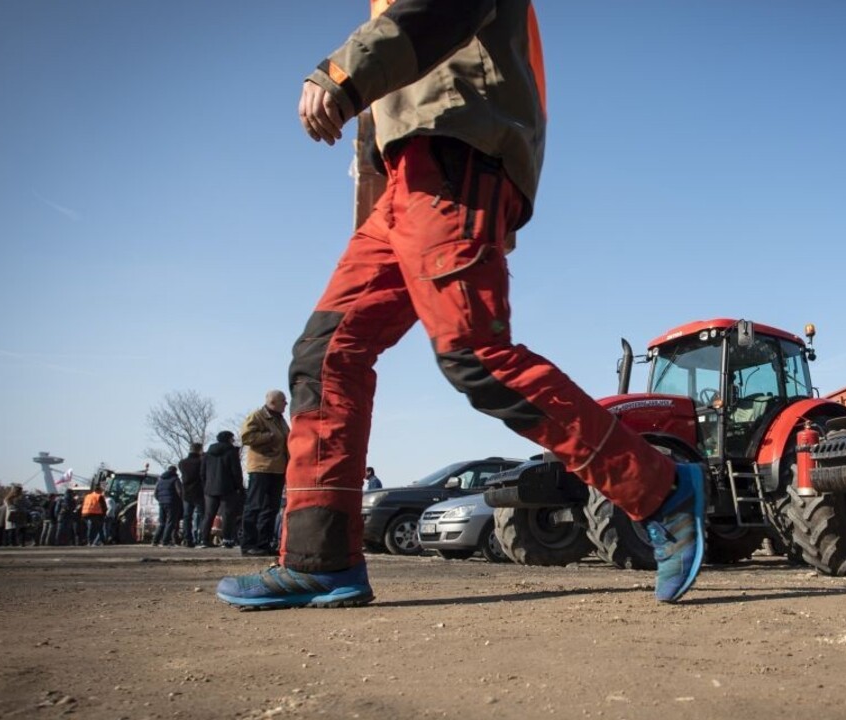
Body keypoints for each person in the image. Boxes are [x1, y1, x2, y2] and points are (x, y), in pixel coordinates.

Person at [217, 1, 705, 610]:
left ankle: (659, 490)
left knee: (475, 354)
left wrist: (342, 75)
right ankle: (321, 560)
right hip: (400, 185)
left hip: (454, 150)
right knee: (324, 355)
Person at [239, 390, 290, 557]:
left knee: (271, 508)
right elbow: (246, 437)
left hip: (278, 468)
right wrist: (268, 436)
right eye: (283, 400)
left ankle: (264, 543)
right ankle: (248, 544)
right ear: (273, 402)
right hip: (261, 468)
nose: (286, 403)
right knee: (254, 506)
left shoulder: (281, 420)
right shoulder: (257, 416)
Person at [200, 431, 244, 549]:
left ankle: (204, 540)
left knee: (208, 515)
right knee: (227, 515)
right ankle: (227, 539)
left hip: (210, 488)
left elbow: (202, 472)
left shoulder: (207, 454)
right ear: (229, 439)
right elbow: (236, 471)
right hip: (227, 488)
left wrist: (206, 485)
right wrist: (239, 487)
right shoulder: (231, 452)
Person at [178, 442, 205, 547]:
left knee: (187, 517)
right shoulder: (201, 462)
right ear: (200, 450)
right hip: (199, 491)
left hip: (186, 492)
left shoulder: (182, 463)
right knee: (203, 516)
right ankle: (202, 538)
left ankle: (187, 539)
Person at [151, 465, 183, 546]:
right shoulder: (175, 479)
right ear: (175, 471)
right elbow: (179, 491)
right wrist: (181, 501)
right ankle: (165, 541)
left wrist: (161, 500)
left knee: (162, 522)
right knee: (170, 522)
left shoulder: (160, 480)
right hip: (172, 503)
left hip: (161, 503)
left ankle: (155, 540)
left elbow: (155, 493)